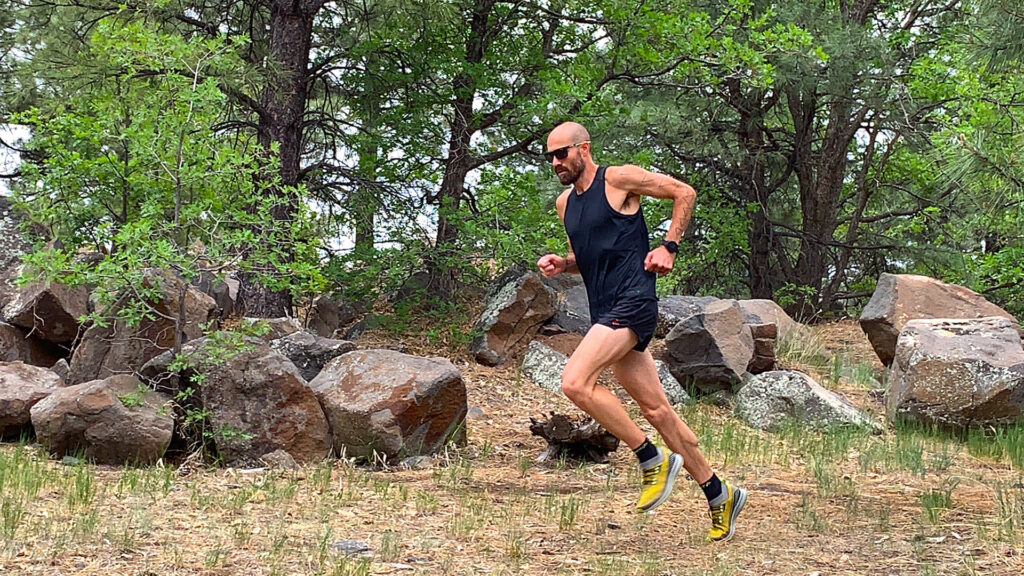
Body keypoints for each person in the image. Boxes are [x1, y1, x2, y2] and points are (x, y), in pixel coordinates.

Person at [536, 122, 746, 542]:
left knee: (575, 382)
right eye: (550, 157)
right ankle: (718, 493)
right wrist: (564, 263)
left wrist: (669, 246)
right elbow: (588, 254)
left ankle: (651, 458)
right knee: (657, 411)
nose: (556, 162)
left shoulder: (618, 179)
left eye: (562, 153)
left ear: (583, 149)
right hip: (604, 311)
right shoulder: (565, 204)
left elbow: (684, 192)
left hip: (633, 303)